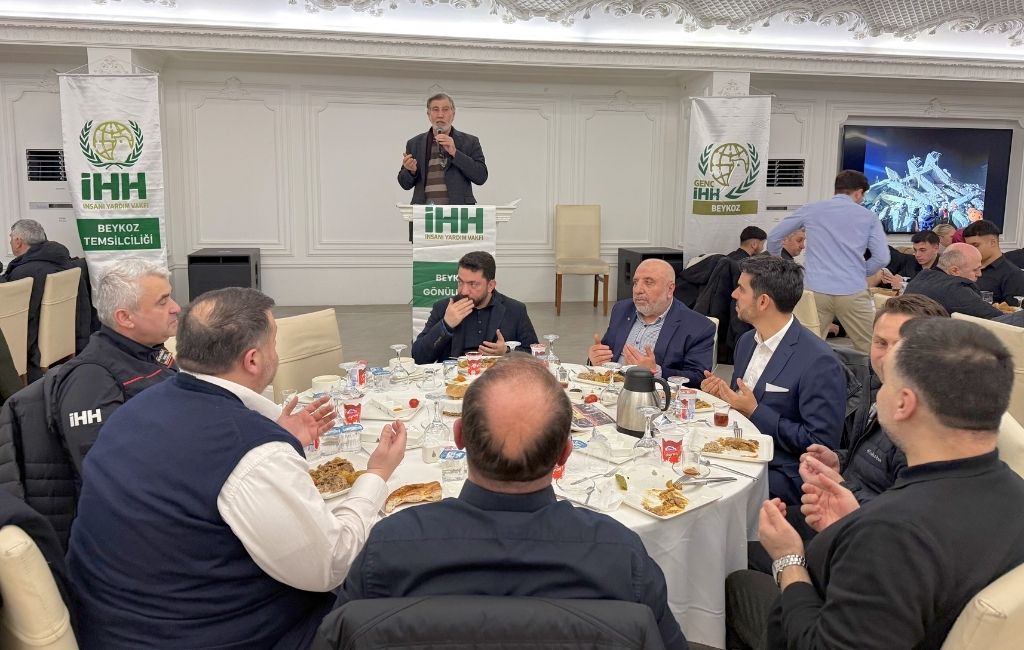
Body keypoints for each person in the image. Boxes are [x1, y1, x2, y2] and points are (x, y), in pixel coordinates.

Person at [67, 287, 408, 649]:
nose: (276, 352)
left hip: (109, 623)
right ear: (253, 360)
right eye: (273, 342)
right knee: (397, 601)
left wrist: (275, 435)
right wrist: (376, 475)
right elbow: (331, 565)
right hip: (212, 636)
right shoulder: (252, 452)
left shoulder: (136, 408)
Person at [336, 354, 687, 650]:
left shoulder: (388, 547)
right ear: (565, 454)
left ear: (458, 437)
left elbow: (338, 637)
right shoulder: (621, 557)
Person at [727, 317, 1024, 650]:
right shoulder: (1013, 491)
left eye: (886, 384)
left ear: (904, 404)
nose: (878, 391)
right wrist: (853, 519)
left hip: (812, 623)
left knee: (736, 581)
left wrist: (789, 560)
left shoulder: (892, 533)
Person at [700, 256, 846, 506]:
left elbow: (820, 444)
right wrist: (724, 396)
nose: (734, 294)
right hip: (738, 450)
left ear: (763, 301)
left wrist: (755, 411)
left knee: (705, 495)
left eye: (741, 289)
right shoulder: (747, 342)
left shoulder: (819, 361)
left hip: (782, 470)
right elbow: (741, 402)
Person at [50, 259, 179, 473]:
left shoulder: (152, 352)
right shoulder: (91, 378)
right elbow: (104, 470)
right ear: (125, 318)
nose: (176, 307)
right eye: (163, 302)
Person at [767, 170, 890, 354]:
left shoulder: (811, 209)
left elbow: (774, 237)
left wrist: (781, 263)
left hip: (815, 291)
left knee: (802, 349)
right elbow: (882, 257)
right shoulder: (869, 217)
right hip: (852, 291)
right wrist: (860, 272)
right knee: (873, 347)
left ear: (836, 189)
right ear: (858, 192)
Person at [588, 258, 714, 387]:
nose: (638, 290)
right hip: (611, 389)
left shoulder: (699, 327)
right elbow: (605, 356)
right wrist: (595, 359)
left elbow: (699, 378)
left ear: (670, 289)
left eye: (648, 283)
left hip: (657, 394)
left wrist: (656, 371)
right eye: (635, 283)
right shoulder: (622, 309)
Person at [412, 251, 538, 364]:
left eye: (473, 284)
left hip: (496, 379)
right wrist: (445, 325)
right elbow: (418, 357)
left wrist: (507, 351)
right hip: (454, 379)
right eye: (460, 282)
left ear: (490, 285)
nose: (464, 291)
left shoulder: (515, 310)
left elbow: (535, 355)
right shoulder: (444, 308)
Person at [2, 219, 76, 381]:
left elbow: (15, 314)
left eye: (11, 238)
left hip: (29, 343)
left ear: (18, 241)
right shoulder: (63, 262)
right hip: (59, 336)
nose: (10, 241)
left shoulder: (24, 274)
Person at [398, 93, 488, 206]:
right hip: (424, 212)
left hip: (458, 211)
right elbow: (404, 184)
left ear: (453, 114)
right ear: (429, 114)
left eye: (445, 109)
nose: (440, 115)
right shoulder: (414, 143)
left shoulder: (470, 142)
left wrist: (455, 153)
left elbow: (481, 177)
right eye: (435, 110)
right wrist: (411, 171)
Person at [904, 243, 1024, 325]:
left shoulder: (921, 277)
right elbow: (999, 322)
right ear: (954, 271)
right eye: (975, 270)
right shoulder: (954, 288)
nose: (979, 274)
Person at [963, 220, 1024, 305]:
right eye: (968, 246)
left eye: (975, 245)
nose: (971, 250)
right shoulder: (965, 267)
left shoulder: (1013, 275)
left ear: (993, 243)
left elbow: (1012, 310)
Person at [875, 231, 941, 292]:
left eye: (922, 250)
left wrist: (904, 286)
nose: (917, 255)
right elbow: (898, 281)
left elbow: (934, 292)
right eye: (915, 250)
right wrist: (889, 280)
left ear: (936, 249)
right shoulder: (911, 262)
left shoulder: (943, 267)